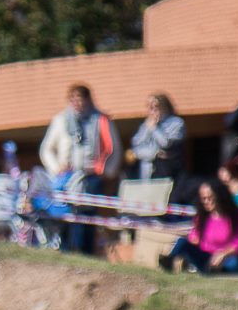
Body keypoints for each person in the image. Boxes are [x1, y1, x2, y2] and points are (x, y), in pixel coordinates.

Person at [39, 83, 122, 252]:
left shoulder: (100, 120)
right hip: (66, 178)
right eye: (74, 98)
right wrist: (57, 168)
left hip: (90, 177)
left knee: (87, 216)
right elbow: (46, 149)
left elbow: (114, 149)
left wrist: (105, 171)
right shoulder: (61, 120)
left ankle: (85, 250)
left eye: (81, 98)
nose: (78, 102)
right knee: (66, 215)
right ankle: (66, 248)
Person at [158, 179, 238, 276]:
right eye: (203, 198)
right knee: (182, 242)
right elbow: (194, 237)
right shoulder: (202, 216)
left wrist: (223, 254)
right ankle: (169, 261)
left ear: (219, 196)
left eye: (210, 197)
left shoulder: (235, 215)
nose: (206, 201)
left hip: (230, 257)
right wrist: (194, 240)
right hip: (207, 257)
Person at [128, 93, 185, 182]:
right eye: (150, 107)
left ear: (165, 106)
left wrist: (154, 129)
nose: (153, 110)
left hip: (169, 174)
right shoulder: (146, 125)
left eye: (156, 106)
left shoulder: (176, 123)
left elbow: (166, 144)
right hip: (147, 175)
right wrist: (155, 153)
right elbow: (136, 147)